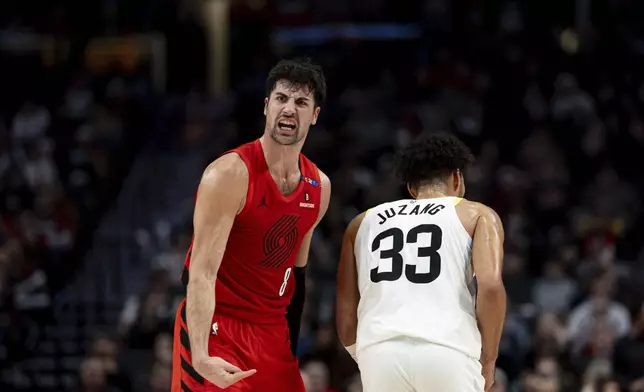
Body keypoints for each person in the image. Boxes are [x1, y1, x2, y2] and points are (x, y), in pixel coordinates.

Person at [171, 58, 331, 392]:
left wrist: (290, 349)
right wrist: (200, 354)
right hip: (218, 327)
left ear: (314, 115)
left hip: (272, 333)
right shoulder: (228, 174)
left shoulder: (319, 187)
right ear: (266, 106)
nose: (289, 109)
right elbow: (201, 273)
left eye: (301, 102)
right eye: (281, 99)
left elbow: (296, 277)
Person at [336, 133, 506, 392]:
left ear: (411, 188)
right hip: (448, 349)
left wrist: (371, 356)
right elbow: (491, 288)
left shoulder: (362, 223)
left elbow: (346, 315)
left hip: (379, 352)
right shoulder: (476, 214)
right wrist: (489, 358)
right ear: (457, 178)